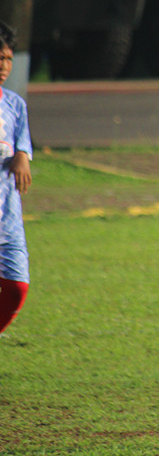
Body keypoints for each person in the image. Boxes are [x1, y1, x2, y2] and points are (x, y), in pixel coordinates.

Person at [0, 23, 33, 336]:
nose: (3, 66)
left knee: (17, 289)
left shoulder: (14, 105)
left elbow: (22, 143)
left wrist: (22, 155)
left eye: (8, 58)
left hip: (7, 220)